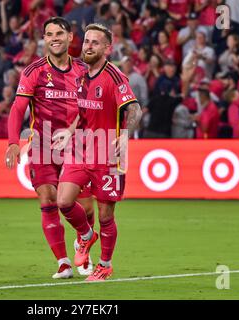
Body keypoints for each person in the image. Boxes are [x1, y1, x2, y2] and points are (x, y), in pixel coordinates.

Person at [5, 17, 95, 279]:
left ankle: (84, 238)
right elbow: (18, 108)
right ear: (44, 39)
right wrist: (13, 142)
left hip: (78, 147)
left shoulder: (83, 70)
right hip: (43, 146)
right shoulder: (33, 72)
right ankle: (64, 262)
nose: (54, 38)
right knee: (48, 198)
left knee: (86, 209)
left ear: (70, 37)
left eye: (59, 33)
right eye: (49, 34)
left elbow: (91, 108)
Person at [53, 23, 142, 281]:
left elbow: (135, 109)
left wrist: (125, 135)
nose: (88, 46)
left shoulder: (115, 77)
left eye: (95, 42)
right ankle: (85, 235)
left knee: (105, 215)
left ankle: (105, 264)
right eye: (86, 41)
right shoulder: (80, 75)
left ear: (106, 48)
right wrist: (69, 131)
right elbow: (81, 112)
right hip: (80, 150)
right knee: (64, 201)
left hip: (108, 154)